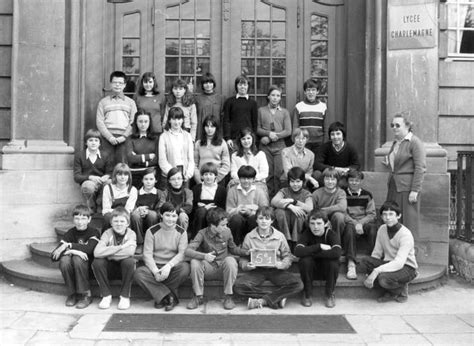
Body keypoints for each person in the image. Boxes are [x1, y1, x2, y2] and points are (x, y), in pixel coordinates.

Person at [234, 206, 304, 310]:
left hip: (275, 270)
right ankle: (276, 298)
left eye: (267, 218)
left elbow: (287, 255)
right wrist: (246, 266)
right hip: (257, 270)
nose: (264, 221)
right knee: (238, 286)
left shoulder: (280, 236)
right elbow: (243, 257)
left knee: (298, 284)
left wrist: (282, 265)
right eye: (261, 218)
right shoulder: (249, 236)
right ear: (256, 220)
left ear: (272, 221)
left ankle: (262, 301)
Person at [185, 208, 248, 310]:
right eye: (223, 225)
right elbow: (188, 251)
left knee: (231, 260)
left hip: (223, 269)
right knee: (195, 262)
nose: (225, 227)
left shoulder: (227, 232)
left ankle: (228, 296)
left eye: (226, 224)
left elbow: (233, 249)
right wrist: (204, 256)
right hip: (207, 268)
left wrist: (246, 252)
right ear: (213, 226)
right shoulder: (202, 233)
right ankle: (198, 296)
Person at [358, 201, 418, 303]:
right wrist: (370, 271)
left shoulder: (405, 235)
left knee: (383, 279)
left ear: (398, 216)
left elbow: (399, 263)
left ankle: (398, 290)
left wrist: (376, 271)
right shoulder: (382, 229)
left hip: (407, 267)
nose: (388, 217)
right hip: (389, 263)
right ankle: (392, 289)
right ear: (381, 216)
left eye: (391, 214)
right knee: (364, 261)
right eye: (385, 214)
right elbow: (377, 252)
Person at [133, 202, 190, 311]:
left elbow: (182, 254)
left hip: (172, 266)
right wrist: (155, 271)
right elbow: (147, 254)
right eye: (167, 215)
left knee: (185, 268)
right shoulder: (152, 231)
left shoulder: (181, 232)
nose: (170, 219)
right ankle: (169, 296)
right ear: (161, 215)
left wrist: (168, 266)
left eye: (174, 216)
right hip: (155, 265)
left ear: (178, 217)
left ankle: (160, 296)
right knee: (139, 273)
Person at [383, 112, 426, 238]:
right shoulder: (396, 143)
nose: (394, 128)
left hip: (406, 189)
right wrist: (389, 160)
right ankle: (394, 253)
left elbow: (420, 167)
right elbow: (398, 160)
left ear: (407, 126)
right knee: (392, 221)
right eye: (392, 125)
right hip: (393, 187)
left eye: (398, 125)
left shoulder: (415, 142)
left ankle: (410, 254)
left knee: (408, 223)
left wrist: (415, 190)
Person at [52, 205, 100, 309]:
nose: (80, 222)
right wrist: (74, 251)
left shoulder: (94, 232)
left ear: (89, 219)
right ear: (73, 219)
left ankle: (86, 295)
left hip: (88, 268)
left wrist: (70, 247)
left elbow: (89, 249)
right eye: (77, 218)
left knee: (78, 258)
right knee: (64, 260)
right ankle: (72, 294)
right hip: (73, 269)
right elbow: (54, 256)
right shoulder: (70, 233)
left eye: (83, 218)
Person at [92, 207, 137, 310]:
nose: (119, 224)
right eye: (115, 221)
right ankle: (106, 295)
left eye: (122, 221)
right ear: (111, 223)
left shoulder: (131, 234)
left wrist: (108, 252)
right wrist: (121, 247)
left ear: (127, 223)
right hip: (110, 267)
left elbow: (130, 252)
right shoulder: (107, 233)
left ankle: (125, 296)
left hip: (124, 269)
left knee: (130, 262)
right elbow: (97, 252)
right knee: (97, 262)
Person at [295, 210, 341, 308]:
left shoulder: (331, 234)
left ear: (326, 223)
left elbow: (337, 253)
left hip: (327, 272)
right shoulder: (307, 233)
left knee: (333, 262)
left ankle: (329, 294)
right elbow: (298, 251)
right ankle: (307, 293)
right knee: (304, 261)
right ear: (308, 224)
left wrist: (311, 253)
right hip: (310, 272)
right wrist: (318, 246)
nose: (315, 227)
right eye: (312, 223)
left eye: (319, 223)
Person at [257, 85, 292, 198]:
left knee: (279, 173)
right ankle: (267, 198)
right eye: (273, 95)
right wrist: (267, 134)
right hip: (265, 147)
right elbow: (257, 128)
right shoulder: (261, 111)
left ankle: (278, 198)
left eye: (278, 95)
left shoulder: (284, 112)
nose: (275, 98)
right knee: (267, 174)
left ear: (280, 98)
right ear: (268, 96)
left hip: (280, 146)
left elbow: (288, 131)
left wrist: (274, 136)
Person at [96, 71, 137, 164]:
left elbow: (133, 122)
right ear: (110, 84)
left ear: (124, 85)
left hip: (124, 139)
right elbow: (99, 122)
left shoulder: (131, 102)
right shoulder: (103, 102)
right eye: (115, 82)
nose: (117, 85)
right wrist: (109, 137)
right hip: (107, 139)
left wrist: (124, 136)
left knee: (122, 165)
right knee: (107, 165)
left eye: (120, 83)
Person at [344, 169, 378, 280]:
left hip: (364, 221)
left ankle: (372, 261)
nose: (354, 183)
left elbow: (372, 214)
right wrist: (355, 223)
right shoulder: (342, 194)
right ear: (347, 181)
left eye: (357, 180)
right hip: (350, 221)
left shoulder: (367, 195)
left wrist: (361, 223)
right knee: (349, 230)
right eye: (351, 180)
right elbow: (342, 213)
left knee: (373, 228)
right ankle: (351, 263)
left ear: (361, 181)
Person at [271, 167, 313, 251]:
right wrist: (289, 206)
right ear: (288, 182)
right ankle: (285, 240)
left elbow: (310, 208)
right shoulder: (284, 191)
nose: (295, 184)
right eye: (292, 181)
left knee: (299, 213)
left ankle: (295, 242)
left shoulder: (306, 193)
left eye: (298, 181)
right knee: (280, 212)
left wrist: (294, 202)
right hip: (284, 220)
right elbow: (273, 201)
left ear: (303, 181)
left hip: (298, 222)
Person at [226, 165, 269, 245]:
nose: (246, 181)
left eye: (249, 178)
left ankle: (253, 245)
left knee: (254, 219)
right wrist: (238, 210)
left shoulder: (259, 191)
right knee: (236, 219)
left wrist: (250, 212)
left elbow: (265, 210)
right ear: (239, 179)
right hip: (237, 219)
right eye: (243, 178)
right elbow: (228, 211)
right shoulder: (233, 191)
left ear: (253, 179)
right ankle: (236, 245)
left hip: (253, 218)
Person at [73, 129, 113, 213]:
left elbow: (110, 171)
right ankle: (90, 209)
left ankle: (101, 205)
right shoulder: (80, 156)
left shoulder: (105, 155)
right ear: (86, 142)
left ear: (100, 143)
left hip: (102, 181)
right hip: (89, 182)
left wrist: (106, 176)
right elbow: (77, 176)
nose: (93, 143)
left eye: (96, 140)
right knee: (88, 186)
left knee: (110, 183)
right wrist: (90, 177)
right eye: (90, 140)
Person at [314, 121, 361, 188]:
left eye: (338, 134)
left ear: (343, 135)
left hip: (343, 176)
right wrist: (335, 169)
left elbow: (356, 165)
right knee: (316, 174)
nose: (335, 137)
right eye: (332, 134)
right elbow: (317, 164)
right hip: (328, 175)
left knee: (342, 183)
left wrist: (346, 170)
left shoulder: (350, 148)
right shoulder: (325, 147)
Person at [158, 107, 195, 188]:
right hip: (168, 174)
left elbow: (191, 158)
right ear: (169, 120)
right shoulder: (163, 137)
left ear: (182, 120)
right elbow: (162, 160)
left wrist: (188, 174)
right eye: (174, 119)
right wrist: (173, 175)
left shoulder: (188, 136)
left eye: (179, 119)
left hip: (184, 174)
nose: (176, 122)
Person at [222, 75, 258, 152]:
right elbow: (226, 121)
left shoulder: (253, 103)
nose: (242, 87)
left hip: (248, 140)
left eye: (245, 84)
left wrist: (254, 139)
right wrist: (228, 138)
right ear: (236, 86)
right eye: (240, 84)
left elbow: (255, 123)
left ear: (248, 86)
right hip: (233, 140)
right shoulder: (229, 102)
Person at [191, 163, 227, 238]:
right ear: (202, 176)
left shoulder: (221, 190)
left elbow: (222, 207)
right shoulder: (196, 188)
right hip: (199, 215)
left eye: (211, 174)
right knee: (202, 212)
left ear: (215, 176)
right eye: (206, 174)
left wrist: (211, 209)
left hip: (216, 214)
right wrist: (204, 208)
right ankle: (197, 238)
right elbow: (193, 206)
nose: (208, 177)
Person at [292, 78, 327, 154]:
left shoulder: (323, 106)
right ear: (305, 92)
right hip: (303, 141)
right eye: (308, 90)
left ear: (317, 91)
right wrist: (296, 141)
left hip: (319, 142)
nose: (311, 92)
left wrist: (325, 141)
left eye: (313, 90)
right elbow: (295, 126)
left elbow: (325, 126)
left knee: (317, 163)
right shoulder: (299, 106)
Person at [125, 110, 159, 188]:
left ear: (149, 122)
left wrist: (138, 159)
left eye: (146, 121)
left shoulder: (155, 138)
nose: (143, 124)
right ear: (136, 122)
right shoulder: (130, 139)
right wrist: (149, 156)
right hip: (135, 174)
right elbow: (130, 158)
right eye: (140, 121)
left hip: (151, 175)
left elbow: (157, 159)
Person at [130, 168, 163, 247]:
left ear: (156, 180)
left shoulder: (159, 193)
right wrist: (138, 209)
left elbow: (160, 210)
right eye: (146, 179)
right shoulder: (136, 192)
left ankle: (151, 240)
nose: (148, 182)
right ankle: (139, 242)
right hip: (138, 222)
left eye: (151, 179)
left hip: (153, 221)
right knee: (135, 215)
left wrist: (148, 212)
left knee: (152, 215)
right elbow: (131, 206)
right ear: (142, 180)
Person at [193, 115, 230, 186]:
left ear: (216, 128)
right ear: (204, 127)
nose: (209, 129)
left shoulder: (222, 143)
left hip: (218, 181)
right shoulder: (198, 143)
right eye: (207, 126)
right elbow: (194, 164)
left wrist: (215, 180)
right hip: (201, 180)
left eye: (212, 126)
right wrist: (198, 179)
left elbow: (226, 165)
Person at [229, 127, 269, 192]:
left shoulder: (260, 154)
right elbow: (233, 173)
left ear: (252, 139)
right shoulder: (234, 156)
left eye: (248, 138)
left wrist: (250, 180)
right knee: (231, 185)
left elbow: (264, 173)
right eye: (243, 139)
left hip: (257, 182)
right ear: (240, 140)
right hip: (240, 182)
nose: (246, 141)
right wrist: (244, 180)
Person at [102, 163, 138, 232]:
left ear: (129, 176)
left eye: (125, 175)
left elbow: (128, 209)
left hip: (126, 214)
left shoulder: (132, 190)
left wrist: (121, 218)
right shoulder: (108, 188)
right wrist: (116, 215)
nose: (123, 177)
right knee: (107, 216)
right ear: (115, 176)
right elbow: (106, 209)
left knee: (132, 217)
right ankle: (106, 237)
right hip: (112, 214)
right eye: (120, 174)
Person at [312, 167, 347, 238]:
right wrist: (322, 218)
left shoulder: (341, 192)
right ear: (323, 180)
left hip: (335, 220)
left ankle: (337, 242)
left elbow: (342, 207)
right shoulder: (316, 193)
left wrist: (321, 211)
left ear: (337, 181)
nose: (330, 182)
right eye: (327, 179)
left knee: (339, 216)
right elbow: (312, 211)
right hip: (320, 219)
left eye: (333, 179)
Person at [159, 167, 193, 234]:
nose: (176, 181)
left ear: (183, 179)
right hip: (169, 216)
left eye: (179, 178)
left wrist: (174, 210)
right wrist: (173, 213)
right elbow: (161, 207)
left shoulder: (188, 192)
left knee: (182, 216)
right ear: (169, 180)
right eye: (173, 179)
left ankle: (181, 237)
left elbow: (189, 207)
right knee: (166, 216)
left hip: (180, 216)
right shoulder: (165, 193)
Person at [194, 72, 225, 139]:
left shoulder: (221, 98)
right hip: (201, 131)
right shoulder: (197, 99)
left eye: (210, 82)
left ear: (213, 84)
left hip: (217, 131)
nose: (208, 85)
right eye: (205, 83)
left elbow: (223, 118)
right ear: (202, 84)